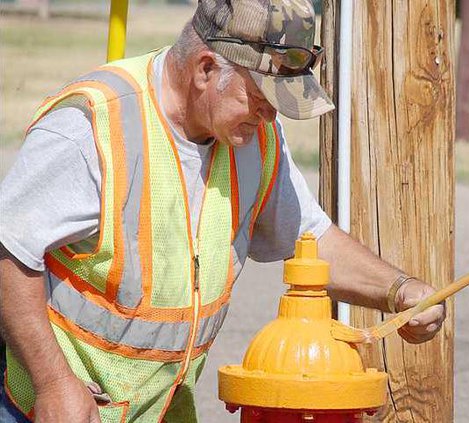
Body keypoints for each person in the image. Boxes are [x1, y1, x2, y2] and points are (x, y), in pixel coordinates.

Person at [0, 0, 446, 422]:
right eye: (261, 98)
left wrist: (399, 291)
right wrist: (54, 382)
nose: (270, 117)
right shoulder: (94, 125)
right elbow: (9, 250)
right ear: (206, 69)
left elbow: (313, 242)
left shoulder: (254, 138)